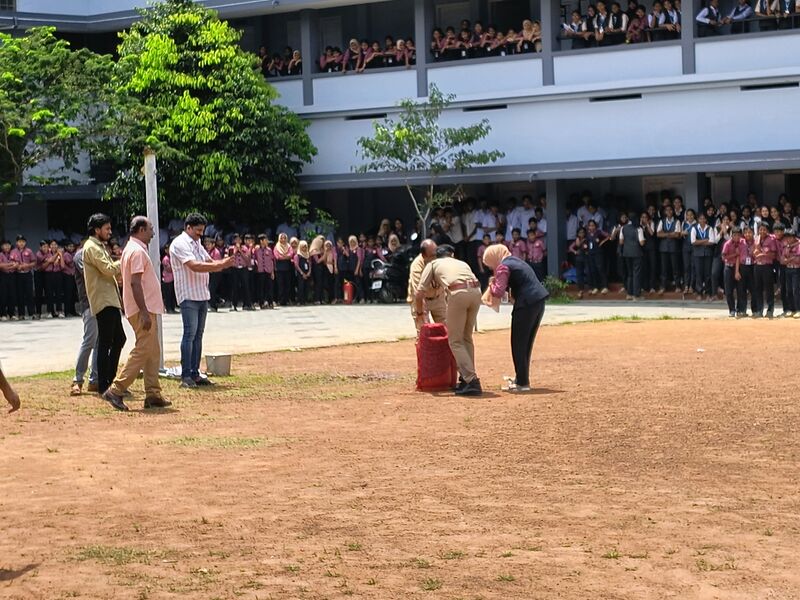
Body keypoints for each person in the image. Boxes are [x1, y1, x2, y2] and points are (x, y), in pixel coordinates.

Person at [102, 217, 170, 411]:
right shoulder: (137, 251)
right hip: (143, 309)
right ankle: (116, 389)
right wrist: (144, 312)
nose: (153, 233)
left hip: (143, 308)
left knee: (152, 351)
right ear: (141, 229)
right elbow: (135, 283)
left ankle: (153, 394)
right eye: (150, 229)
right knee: (143, 350)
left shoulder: (131, 248)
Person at [169, 213, 234, 389]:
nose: (200, 234)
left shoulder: (196, 243)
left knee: (198, 335)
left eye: (201, 231)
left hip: (201, 294)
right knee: (189, 334)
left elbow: (208, 261)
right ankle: (186, 375)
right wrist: (221, 265)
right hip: (188, 294)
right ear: (188, 227)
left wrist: (225, 261)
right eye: (197, 231)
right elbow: (194, 266)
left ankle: (195, 373)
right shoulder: (180, 244)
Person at [482, 244, 549, 393]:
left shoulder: (503, 267)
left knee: (518, 343)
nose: (490, 267)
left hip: (526, 304)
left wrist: (491, 284)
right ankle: (521, 378)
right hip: (538, 301)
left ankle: (522, 383)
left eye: (489, 264)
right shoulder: (515, 261)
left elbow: (498, 292)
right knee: (526, 342)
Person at [415, 254, 483, 396]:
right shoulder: (461, 262)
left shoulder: (432, 264)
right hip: (476, 292)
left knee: (455, 341)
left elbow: (419, 293)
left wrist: (420, 313)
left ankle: (471, 381)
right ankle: (467, 378)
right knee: (466, 338)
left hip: (458, 293)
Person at [82, 214, 126, 397]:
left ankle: (108, 381)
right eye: (106, 228)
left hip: (110, 299)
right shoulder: (92, 247)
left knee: (118, 339)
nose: (109, 232)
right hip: (103, 301)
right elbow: (107, 270)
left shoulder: (98, 246)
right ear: (96, 229)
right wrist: (125, 260)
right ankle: (104, 385)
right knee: (107, 342)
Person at [70, 242, 99, 396]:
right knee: (89, 340)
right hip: (90, 303)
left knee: (100, 342)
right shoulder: (81, 255)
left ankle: (95, 379)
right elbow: (91, 274)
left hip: (102, 302)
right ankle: (78, 379)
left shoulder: (99, 253)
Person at [407, 239, 446, 332]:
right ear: (424, 256)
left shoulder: (440, 260)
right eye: (432, 255)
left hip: (439, 297)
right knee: (424, 332)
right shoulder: (417, 266)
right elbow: (419, 293)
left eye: (436, 254)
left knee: (446, 329)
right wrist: (420, 314)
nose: (436, 257)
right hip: (422, 299)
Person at [752, 221, 779, 318]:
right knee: (758, 288)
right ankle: (759, 310)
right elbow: (754, 253)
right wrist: (755, 252)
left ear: (767, 230)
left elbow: (773, 254)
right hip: (757, 266)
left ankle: (770, 310)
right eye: (760, 229)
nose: (762, 231)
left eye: (764, 229)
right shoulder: (756, 239)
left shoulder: (771, 239)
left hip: (767, 266)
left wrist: (762, 254)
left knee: (769, 289)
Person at [619, 212, 644, 300]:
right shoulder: (638, 228)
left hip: (626, 253)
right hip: (636, 253)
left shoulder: (623, 228)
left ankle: (629, 293)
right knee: (636, 273)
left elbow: (621, 241)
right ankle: (636, 295)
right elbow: (641, 242)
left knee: (630, 274)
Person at [721, 227, 746, 317]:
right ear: (731, 235)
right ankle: (732, 309)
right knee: (728, 290)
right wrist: (735, 254)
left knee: (740, 290)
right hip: (728, 267)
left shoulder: (742, 243)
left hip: (738, 267)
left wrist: (737, 271)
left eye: (738, 235)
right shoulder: (727, 244)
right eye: (734, 235)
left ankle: (739, 309)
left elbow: (740, 257)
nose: (736, 237)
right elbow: (724, 257)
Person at [691, 213, 716, 299]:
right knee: (698, 273)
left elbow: (712, 241)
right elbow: (693, 242)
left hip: (708, 254)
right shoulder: (694, 228)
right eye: (700, 218)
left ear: (706, 220)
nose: (702, 220)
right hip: (697, 254)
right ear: (698, 220)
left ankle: (708, 292)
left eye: (703, 218)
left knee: (707, 274)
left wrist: (699, 241)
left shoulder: (710, 228)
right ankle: (699, 292)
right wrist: (705, 240)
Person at [11, 235, 36, 320]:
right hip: (18, 275)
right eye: (19, 241)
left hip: (27, 274)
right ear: (16, 243)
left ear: (25, 242)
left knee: (29, 294)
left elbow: (34, 262)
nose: (21, 243)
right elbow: (11, 262)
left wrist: (27, 265)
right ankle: (21, 314)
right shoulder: (13, 251)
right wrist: (16, 266)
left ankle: (32, 313)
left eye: (23, 241)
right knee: (20, 295)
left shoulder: (29, 251)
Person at [253, 234, 275, 309]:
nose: (267, 241)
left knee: (269, 287)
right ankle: (261, 303)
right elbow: (253, 258)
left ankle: (270, 302)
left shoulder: (269, 249)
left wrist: (272, 272)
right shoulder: (256, 249)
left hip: (268, 270)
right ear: (261, 241)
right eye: (265, 240)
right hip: (260, 271)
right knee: (261, 288)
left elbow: (272, 261)